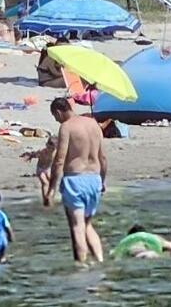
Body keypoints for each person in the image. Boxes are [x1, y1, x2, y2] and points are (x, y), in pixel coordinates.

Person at [46, 97, 107, 264]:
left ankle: (81, 266)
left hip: (76, 180)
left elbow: (59, 159)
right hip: (94, 178)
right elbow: (102, 157)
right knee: (87, 225)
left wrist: (51, 189)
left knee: (77, 226)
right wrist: (103, 180)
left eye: (55, 116)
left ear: (58, 112)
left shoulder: (66, 127)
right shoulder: (94, 124)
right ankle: (100, 261)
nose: (56, 120)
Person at [21, 135, 57, 200]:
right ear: (46, 145)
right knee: (45, 183)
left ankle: (51, 196)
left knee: (51, 183)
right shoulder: (42, 151)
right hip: (40, 169)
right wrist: (29, 156)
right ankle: (45, 199)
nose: (50, 150)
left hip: (49, 169)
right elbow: (34, 155)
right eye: (49, 148)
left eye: (52, 149)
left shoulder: (56, 153)